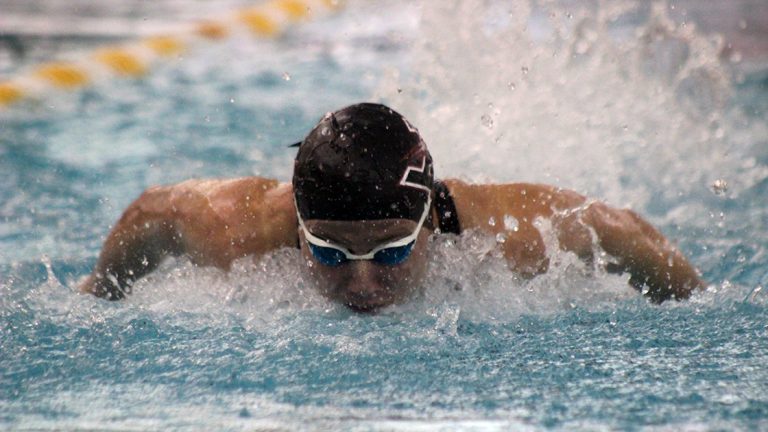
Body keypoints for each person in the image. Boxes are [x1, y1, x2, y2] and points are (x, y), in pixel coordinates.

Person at [79, 102, 705, 311]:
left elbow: (620, 231)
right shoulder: (230, 230)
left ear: (430, 222)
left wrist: (692, 307)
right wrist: (99, 294)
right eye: (328, 252)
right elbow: (150, 212)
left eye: (392, 251)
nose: (362, 280)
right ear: (298, 231)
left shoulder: (516, 233)